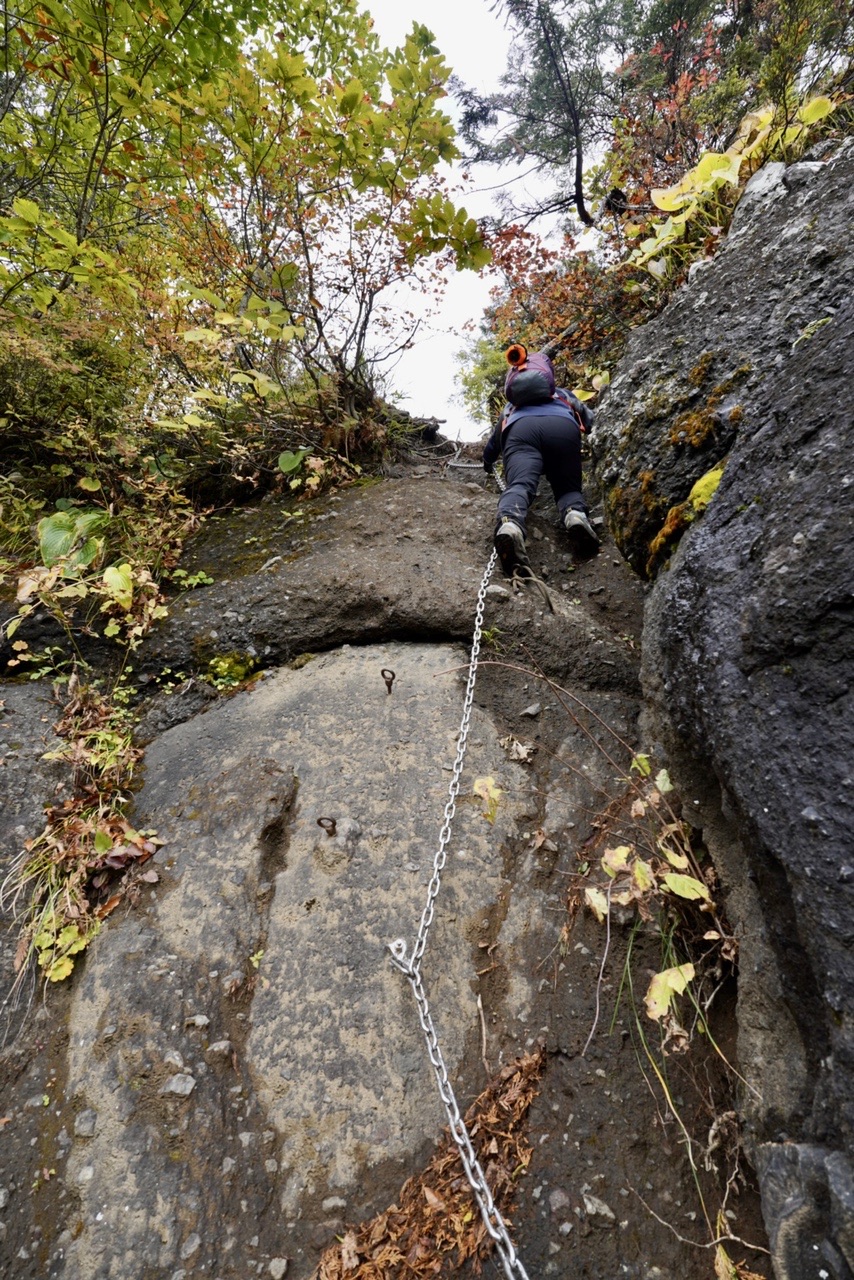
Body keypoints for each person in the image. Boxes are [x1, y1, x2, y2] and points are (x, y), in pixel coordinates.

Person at [482, 350, 600, 578]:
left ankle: (511, 525)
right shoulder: (563, 394)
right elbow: (590, 419)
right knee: (568, 488)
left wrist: (487, 462)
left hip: (521, 430)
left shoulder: (510, 407)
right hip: (562, 427)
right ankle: (575, 515)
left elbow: (496, 440)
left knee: (519, 486)